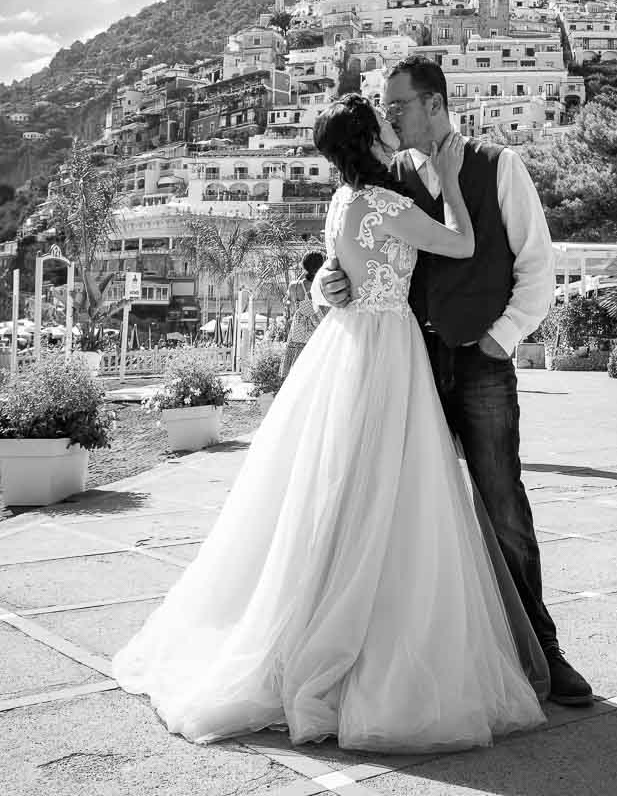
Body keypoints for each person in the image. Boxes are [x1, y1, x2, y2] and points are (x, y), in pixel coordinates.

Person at [111, 93, 547, 751]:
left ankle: (317, 610)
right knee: (388, 487)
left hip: (347, 347)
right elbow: (461, 244)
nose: (389, 126)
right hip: (388, 348)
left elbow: (338, 273)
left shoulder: (343, 204)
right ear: (370, 142)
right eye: (380, 123)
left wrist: (328, 287)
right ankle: (363, 632)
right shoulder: (389, 204)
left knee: (337, 486)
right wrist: (454, 181)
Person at [316, 57, 592, 707]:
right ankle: (431, 653)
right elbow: (351, 249)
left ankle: (542, 648)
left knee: (502, 506)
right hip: (409, 368)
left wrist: (500, 340)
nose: (390, 118)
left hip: (480, 364)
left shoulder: (501, 166)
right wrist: (328, 286)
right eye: (384, 111)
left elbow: (536, 267)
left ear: (435, 105)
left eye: (399, 107)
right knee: (408, 509)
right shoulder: (392, 178)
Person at [280, 250, 325, 377]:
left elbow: (288, 302)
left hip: (299, 328)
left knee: (297, 368)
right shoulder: (322, 285)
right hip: (318, 326)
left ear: (304, 265)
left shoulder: (294, 286)